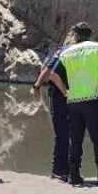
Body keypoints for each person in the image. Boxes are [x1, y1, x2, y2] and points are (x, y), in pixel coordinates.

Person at [49, 22, 98, 186]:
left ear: (76, 35)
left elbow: (53, 75)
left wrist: (65, 92)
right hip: (94, 99)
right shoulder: (96, 49)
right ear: (90, 35)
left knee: (75, 140)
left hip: (74, 101)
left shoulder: (67, 52)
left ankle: (74, 176)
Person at [32, 31, 75, 181]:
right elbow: (51, 72)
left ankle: (63, 169)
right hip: (63, 96)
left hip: (64, 95)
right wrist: (65, 93)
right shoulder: (68, 52)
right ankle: (60, 170)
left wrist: (37, 85)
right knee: (65, 132)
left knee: (65, 132)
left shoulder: (61, 51)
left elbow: (48, 69)